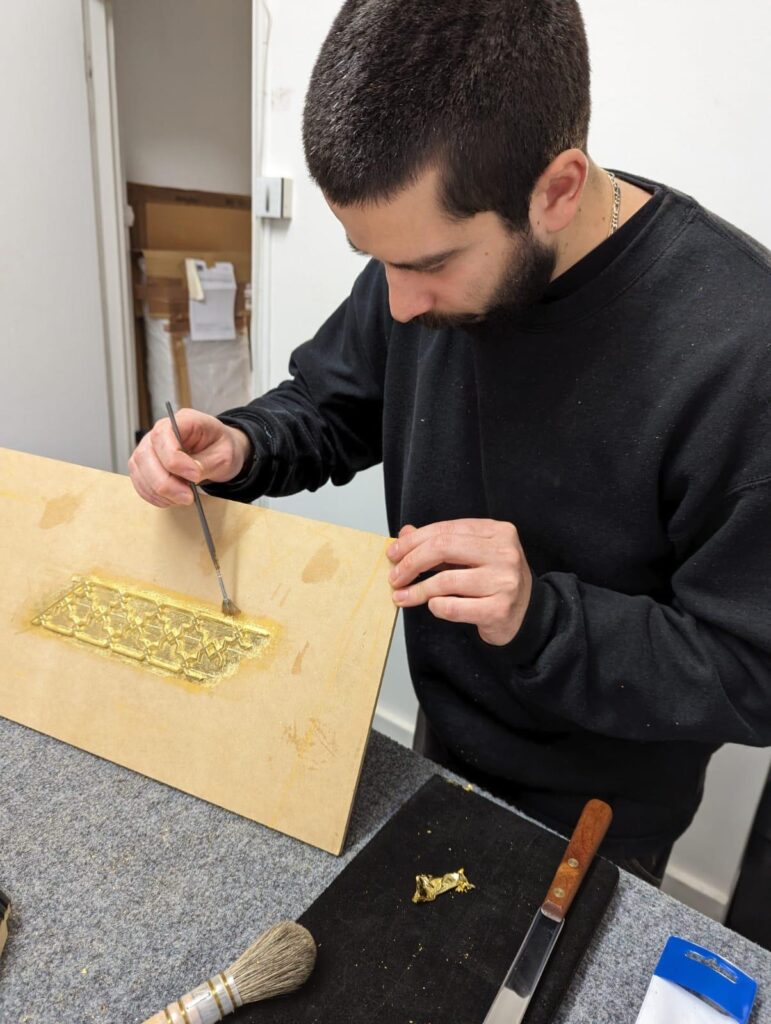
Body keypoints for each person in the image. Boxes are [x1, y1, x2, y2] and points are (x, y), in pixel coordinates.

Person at [128, 0, 771, 886]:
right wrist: (240, 444)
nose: (399, 306)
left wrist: (540, 616)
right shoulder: (421, 248)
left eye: (428, 267)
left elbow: (752, 668)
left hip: (601, 814)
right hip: (441, 736)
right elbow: (333, 400)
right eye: (372, 257)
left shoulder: (741, 347)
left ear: (558, 188)